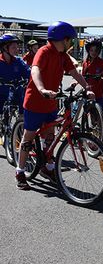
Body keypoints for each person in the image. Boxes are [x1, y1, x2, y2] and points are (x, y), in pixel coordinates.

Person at [15, 21, 95, 190]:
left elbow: (74, 72)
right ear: (62, 39)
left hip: (50, 102)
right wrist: (42, 89)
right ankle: (20, 171)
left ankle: (48, 168)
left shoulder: (62, 55)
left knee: (50, 136)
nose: (71, 43)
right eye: (69, 40)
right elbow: (35, 70)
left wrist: (87, 88)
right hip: (35, 102)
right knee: (28, 137)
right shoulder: (44, 51)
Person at [0, 34, 31, 116]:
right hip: (1, 95)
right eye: (13, 47)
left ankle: (20, 124)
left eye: (17, 47)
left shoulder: (18, 61)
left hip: (16, 95)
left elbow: (29, 73)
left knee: (25, 105)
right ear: (5, 48)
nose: (16, 50)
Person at [80, 37, 103, 110]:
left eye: (96, 50)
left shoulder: (102, 63)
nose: (94, 52)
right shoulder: (85, 63)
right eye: (91, 50)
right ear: (88, 51)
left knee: (98, 117)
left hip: (99, 95)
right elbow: (82, 77)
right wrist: (76, 82)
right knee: (86, 112)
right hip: (88, 93)